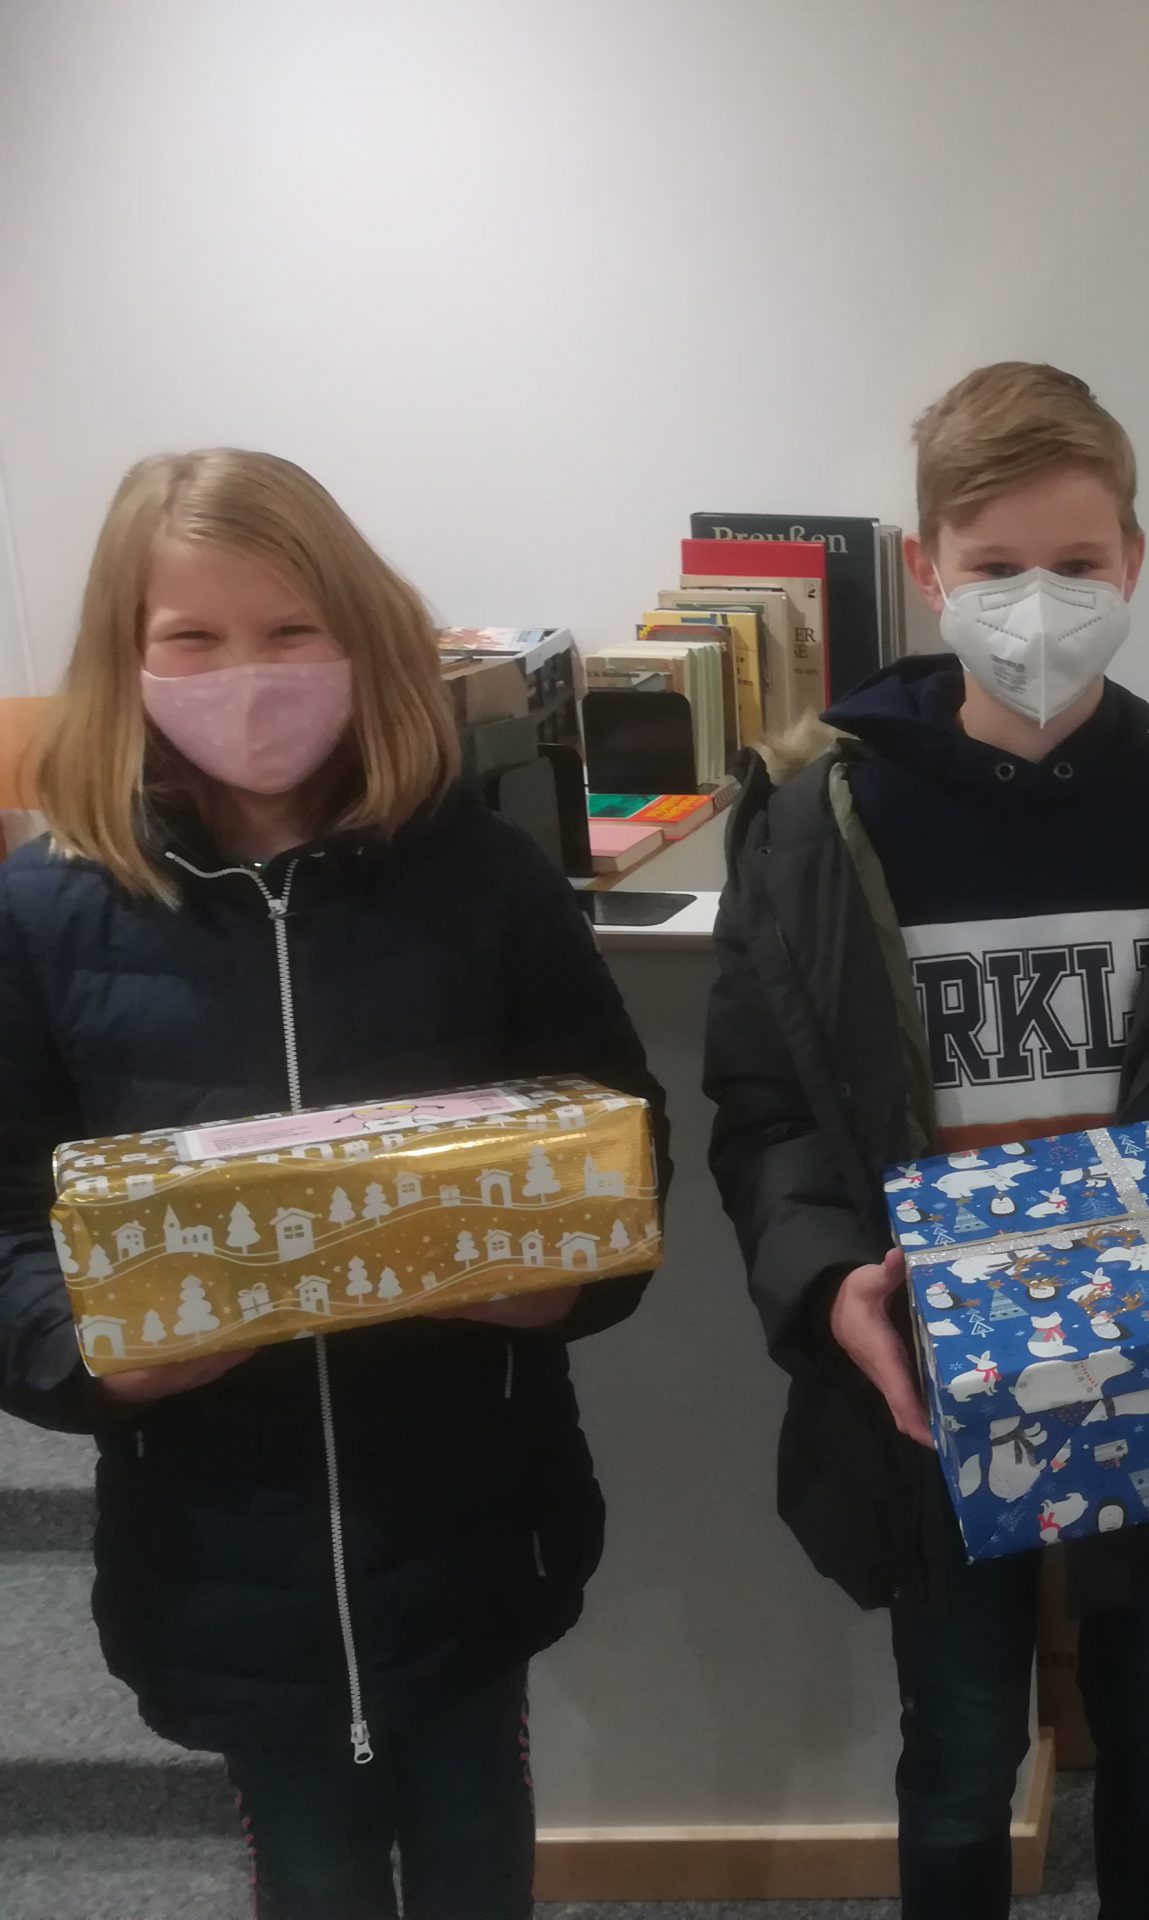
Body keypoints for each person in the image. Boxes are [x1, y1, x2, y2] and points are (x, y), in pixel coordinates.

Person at [703, 362, 1149, 1918]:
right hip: (938, 1369)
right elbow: (765, 1111)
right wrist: (826, 1277)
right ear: (927, 568)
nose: (1036, 604)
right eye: (996, 564)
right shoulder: (820, 833)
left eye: (1077, 563)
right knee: (958, 1747)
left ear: (1134, 562)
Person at [0, 450, 666, 1920]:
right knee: (310, 1872)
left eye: (291, 630)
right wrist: (85, 1351)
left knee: (478, 1843)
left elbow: (623, 1138)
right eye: (194, 638)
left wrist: (569, 1280)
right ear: (125, 657)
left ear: (360, 636)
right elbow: (6, 1225)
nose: (247, 675)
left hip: (468, 1513)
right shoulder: (42, 916)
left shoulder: (486, 881)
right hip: (222, 1539)